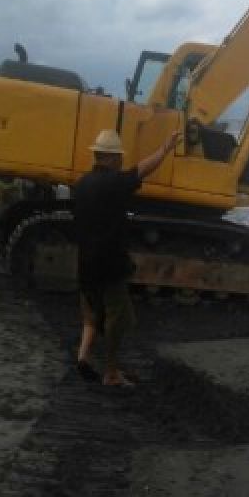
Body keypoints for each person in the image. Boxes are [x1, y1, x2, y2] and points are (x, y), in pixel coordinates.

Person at [73, 127, 180, 387]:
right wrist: (165, 149)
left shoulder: (81, 184)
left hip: (85, 263)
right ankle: (111, 372)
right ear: (110, 158)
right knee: (120, 318)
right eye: (118, 156)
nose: (121, 161)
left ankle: (83, 357)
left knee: (91, 314)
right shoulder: (114, 183)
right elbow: (142, 169)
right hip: (109, 264)